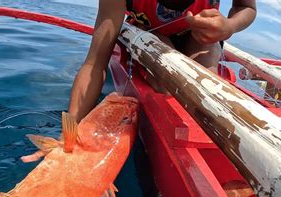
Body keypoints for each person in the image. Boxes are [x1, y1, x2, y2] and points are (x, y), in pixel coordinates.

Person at [68, 0, 256, 122]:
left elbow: (246, 6)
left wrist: (229, 26)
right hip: (149, 30)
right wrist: (70, 131)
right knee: (165, 83)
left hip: (200, 37)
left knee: (206, 84)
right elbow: (95, 63)